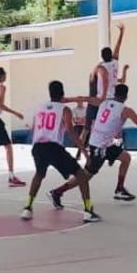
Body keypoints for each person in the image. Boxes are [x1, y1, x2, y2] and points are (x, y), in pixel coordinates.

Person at [51, 84, 137, 204]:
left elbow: (85, 98)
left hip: (104, 144)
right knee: (86, 176)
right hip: (99, 146)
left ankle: (120, 189)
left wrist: (68, 100)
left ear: (114, 94)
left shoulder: (104, 102)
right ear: (126, 96)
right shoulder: (125, 110)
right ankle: (57, 192)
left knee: (126, 158)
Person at [21, 81, 99, 223]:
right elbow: (70, 130)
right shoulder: (64, 110)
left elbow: (33, 129)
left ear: (50, 93)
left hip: (38, 146)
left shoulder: (40, 108)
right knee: (81, 175)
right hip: (53, 147)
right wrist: (85, 152)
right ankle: (88, 211)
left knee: (39, 175)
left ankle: (27, 207)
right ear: (63, 93)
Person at [85, 23, 127, 135]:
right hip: (114, 96)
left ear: (102, 56)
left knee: (98, 123)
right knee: (113, 121)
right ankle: (117, 140)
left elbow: (92, 77)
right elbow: (118, 47)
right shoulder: (115, 63)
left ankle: (97, 142)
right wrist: (122, 33)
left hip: (103, 99)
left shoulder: (101, 67)